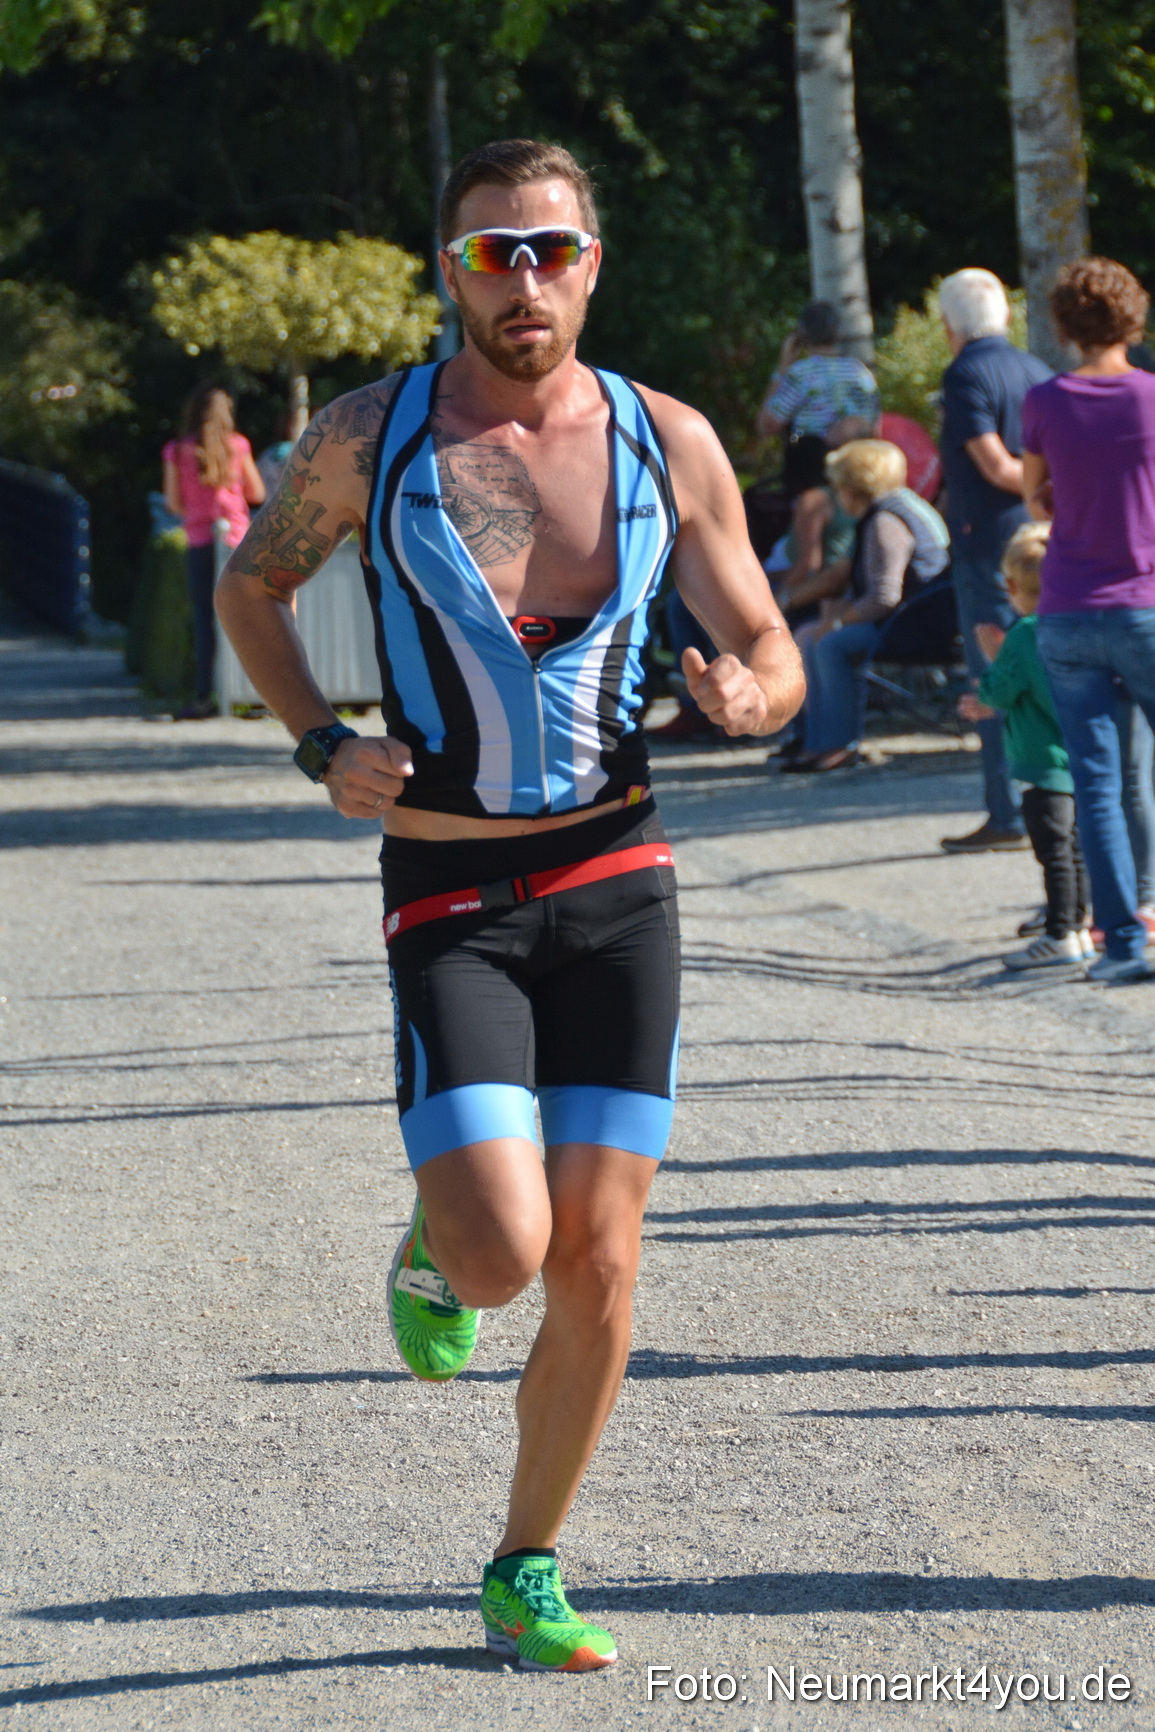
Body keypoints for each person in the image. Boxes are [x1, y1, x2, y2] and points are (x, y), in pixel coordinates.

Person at [216, 138, 803, 1671]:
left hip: (619, 873)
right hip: (449, 885)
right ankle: (435, 1244)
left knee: (600, 1260)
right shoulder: (372, 437)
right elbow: (250, 589)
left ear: (591, 263)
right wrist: (318, 741)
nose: (522, 278)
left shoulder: (662, 440)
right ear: (449, 269)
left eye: (548, 249)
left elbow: (766, 636)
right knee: (498, 1257)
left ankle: (524, 1561)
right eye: (491, 253)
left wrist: (755, 689)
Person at [1023, 255, 1155, 983]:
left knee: (1097, 785)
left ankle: (1122, 947)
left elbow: (1033, 498)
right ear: (1132, 315)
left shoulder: (1045, 402)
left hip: (1068, 607)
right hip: (1145, 602)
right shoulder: (1150, 398)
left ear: (1065, 326)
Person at [936, 268, 1050, 853]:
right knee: (1045, 667)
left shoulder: (965, 375)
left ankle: (1007, 812)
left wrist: (1030, 490)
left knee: (995, 672)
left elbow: (994, 463)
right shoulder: (1036, 370)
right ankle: (1052, 800)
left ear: (950, 324)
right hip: (1044, 540)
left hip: (991, 546)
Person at [958, 523, 1091, 970]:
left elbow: (1000, 690)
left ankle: (1058, 934)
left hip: (1041, 764)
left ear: (1012, 586)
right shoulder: (1076, 625)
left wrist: (991, 661)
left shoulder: (1023, 634)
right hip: (1080, 760)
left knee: (1052, 852)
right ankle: (1078, 927)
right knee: (1076, 850)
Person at [784, 438, 949, 774]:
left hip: (916, 627)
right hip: (920, 619)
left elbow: (885, 595)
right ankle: (811, 740)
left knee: (829, 645)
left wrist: (840, 621)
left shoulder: (884, 521)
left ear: (851, 487)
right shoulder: (903, 503)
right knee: (809, 634)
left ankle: (838, 744)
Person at [162, 384, 265, 718]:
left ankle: (206, 695)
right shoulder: (238, 445)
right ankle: (250, 693)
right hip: (236, 542)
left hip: (200, 543)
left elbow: (174, 503)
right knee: (244, 619)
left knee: (204, 620)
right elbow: (257, 492)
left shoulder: (177, 451)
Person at [756, 300, 881, 500]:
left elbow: (767, 424)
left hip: (813, 479)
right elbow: (875, 428)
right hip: (856, 476)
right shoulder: (861, 373)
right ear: (838, 333)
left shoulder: (802, 374)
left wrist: (781, 369)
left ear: (802, 335)